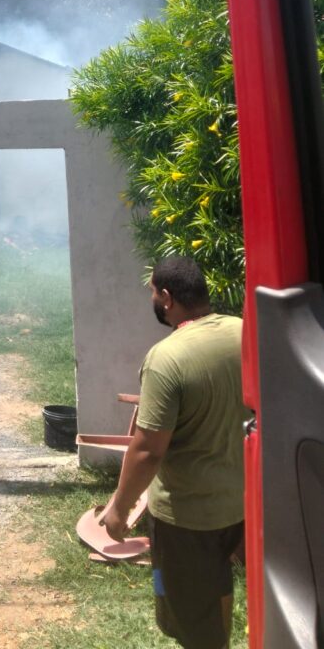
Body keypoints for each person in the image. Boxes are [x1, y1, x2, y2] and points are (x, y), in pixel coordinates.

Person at [101, 256, 245, 649]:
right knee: (216, 595)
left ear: (166, 297)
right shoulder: (245, 332)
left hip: (185, 519)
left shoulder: (168, 358)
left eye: (152, 292)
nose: (152, 299)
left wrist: (119, 507)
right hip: (243, 504)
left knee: (190, 618)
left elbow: (147, 449)